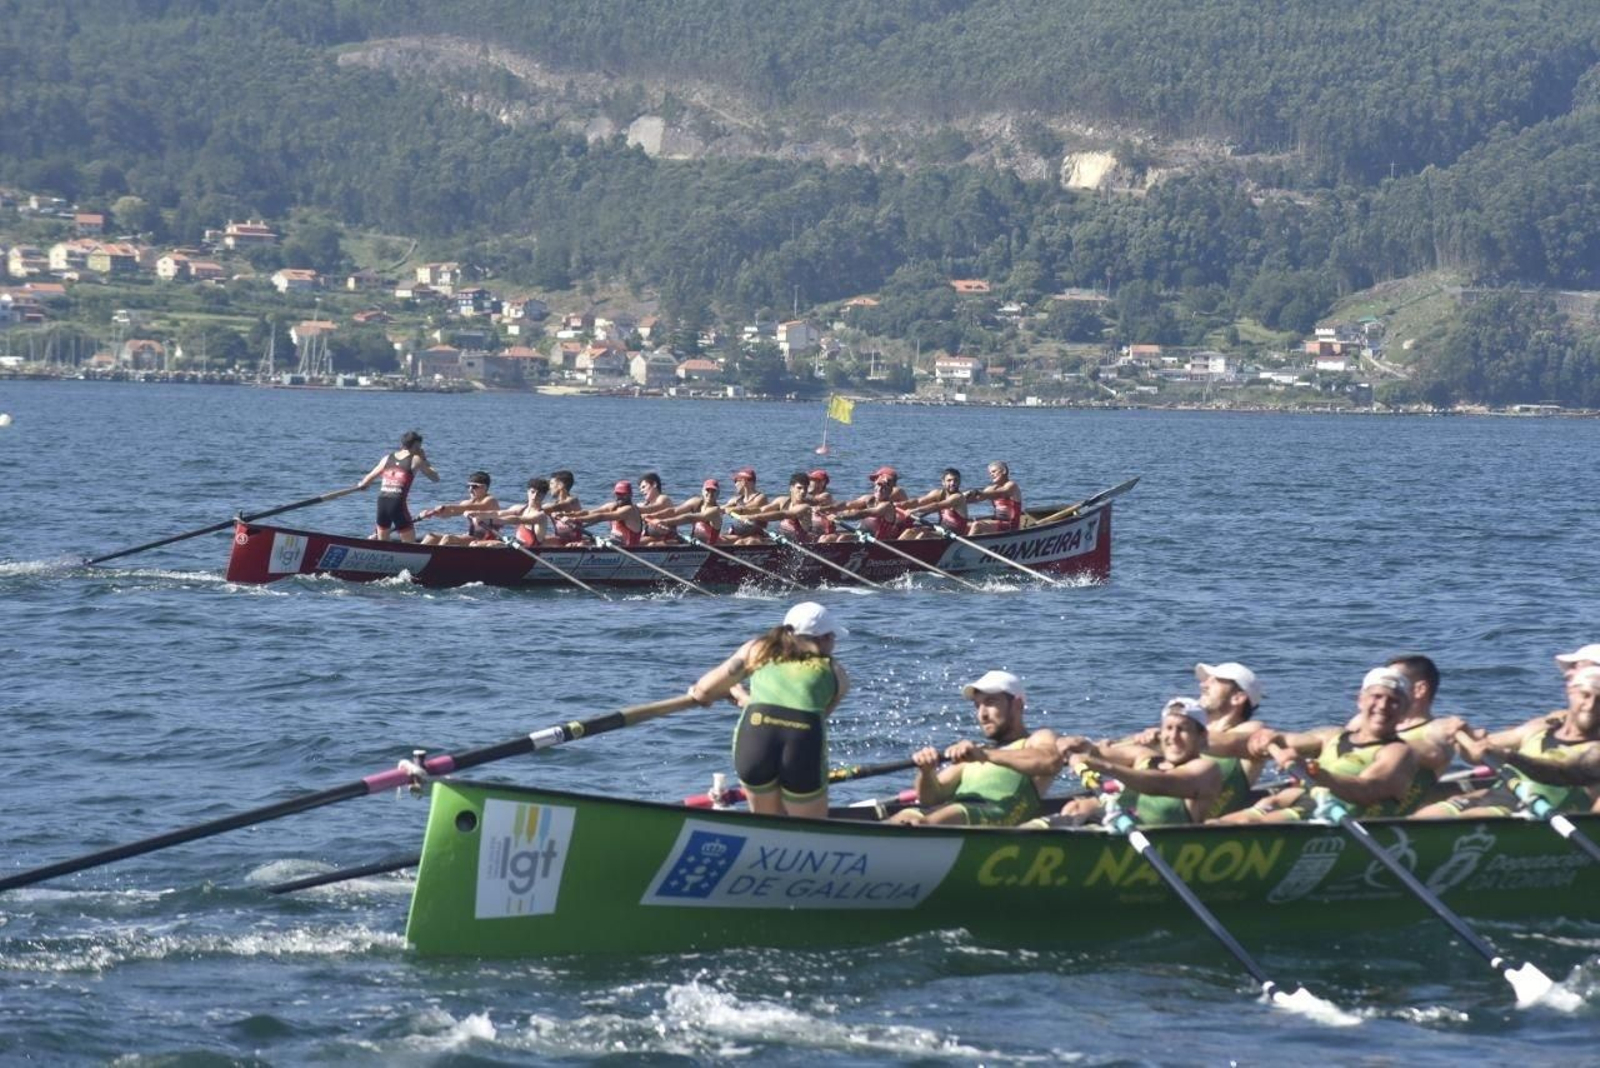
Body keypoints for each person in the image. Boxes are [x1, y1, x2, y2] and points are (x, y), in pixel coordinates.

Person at [686, 602, 851, 819]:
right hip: (801, 742)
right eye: (833, 637)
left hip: (755, 736)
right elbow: (803, 714)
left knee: (768, 824)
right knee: (809, 829)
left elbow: (703, 691)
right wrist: (746, 699)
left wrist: (734, 694)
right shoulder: (837, 674)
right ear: (824, 639)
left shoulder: (757, 649)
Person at [1213, 667, 1418, 824]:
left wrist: (1314, 772)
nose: (1382, 706)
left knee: (1241, 824)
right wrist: (1267, 739)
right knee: (1214, 824)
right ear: (1360, 700)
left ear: (1404, 710)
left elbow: (1368, 789)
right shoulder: (1330, 736)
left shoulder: (1399, 752)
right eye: (1377, 697)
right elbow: (1281, 741)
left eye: (1393, 701)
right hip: (1293, 806)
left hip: (1332, 820)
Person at [1417, 665, 1600, 819]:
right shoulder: (1538, 728)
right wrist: (1464, 735)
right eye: (1585, 695)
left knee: (1469, 818)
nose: (1590, 705)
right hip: (1494, 798)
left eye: (1599, 700)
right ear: (1570, 691)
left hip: (1534, 816)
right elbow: (1477, 753)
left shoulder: (1596, 749)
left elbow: (1560, 773)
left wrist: (1509, 757)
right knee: (1420, 818)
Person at [887, 670, 1061, 826]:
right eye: (977, 706)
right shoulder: (976, 752)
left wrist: (986, 755)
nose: (982, 715)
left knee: (939, 816)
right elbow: (930, 798)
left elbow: (1051, 761)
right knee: (906, 814)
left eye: (990, 703)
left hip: (997, 817)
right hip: (956, 812)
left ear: (1017, 705)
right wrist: (926, 772)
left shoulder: (1036, 740)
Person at [1053, 698, 1222, 826]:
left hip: (1160, 843)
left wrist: (1102, 766)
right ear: (1160, 733)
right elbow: (1099, 752)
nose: (1174, 737)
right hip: (1114, 829)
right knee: (1074, 809)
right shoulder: (1143, 756)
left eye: (1183, 729)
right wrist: (1079, 745)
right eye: (1169, 728)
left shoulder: (1206, 769)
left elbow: (1161, 784)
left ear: (1201, 737)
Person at [356, 430, 439, 541]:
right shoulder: (416, 459)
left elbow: (368, 478)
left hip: (382, 502)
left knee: (382, 542)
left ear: (402, 444)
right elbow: (435, 478)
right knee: (409, 544)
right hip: (397, 504)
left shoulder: (387, 458)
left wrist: (363, 484)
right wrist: (424, 459)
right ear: (416, 446)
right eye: (419, 447)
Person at [820, 474, 914, 542]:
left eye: (885, 487)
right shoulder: (867, 499)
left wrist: (840, 517)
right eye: (878, 485)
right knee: (825, 538)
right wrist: (825, 508)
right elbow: (846, 505)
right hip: (863, 538)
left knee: (843, 539)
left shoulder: (887, 506)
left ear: (890, 491)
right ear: (875, 486)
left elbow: (864, 513)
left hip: (879, 544)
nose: (880, 489)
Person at [417, 471, 502, 546]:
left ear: (484, 487)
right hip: (471, 536)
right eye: (468, 486)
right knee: (432, 536)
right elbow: (450, 513)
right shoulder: (468, 502)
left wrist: (446, 507)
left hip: (488, 539)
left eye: (474, 487)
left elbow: (470, 508)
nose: (470, 490)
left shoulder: (491, 501)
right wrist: (432, 513)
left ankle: (437, 560)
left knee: (448, 538)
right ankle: (416, 556)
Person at [740, 472, 818, 543]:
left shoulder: (805, 507)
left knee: (751, 542)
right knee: (743, 541)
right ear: (791, 488)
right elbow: (761, 509)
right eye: (799, 488)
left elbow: (782, 514)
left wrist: (752, 517)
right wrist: (739, 511)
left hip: (800, 546)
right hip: (784, 541)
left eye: (805, 488)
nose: (803, 491)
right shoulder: (782, 501)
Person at [570, 480, 645, 548]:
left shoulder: (629, 510)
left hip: (627, 548)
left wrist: (577, 519)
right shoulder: (613, 506)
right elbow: (588, 512)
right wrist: (568, 515)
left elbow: (601, 517)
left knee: (582, 544)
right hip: (613, 542)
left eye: (623, 494)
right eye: (617, 494)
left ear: (630, 495)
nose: (620, 496)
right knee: (577, 540)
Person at [900, 468, 970, 539]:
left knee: (923, 535)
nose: (952, 483)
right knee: (909, 532)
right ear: (943, 482)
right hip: (941, 530)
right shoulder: (938, 493)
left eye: (956, 480)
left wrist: (914, 510)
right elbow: (918, 501)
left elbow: (937, 506)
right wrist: (899, 504)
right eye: (949, 480)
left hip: (954, 534)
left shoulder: (958, 497)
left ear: (959, 482)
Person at [650, 479, 726, 544]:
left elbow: (689, 518)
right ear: (702, 491)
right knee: (653, 544)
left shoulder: (715, 510)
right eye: (708, 490)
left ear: (718, 494)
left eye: (713, 491)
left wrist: (663, 521)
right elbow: (674, 511)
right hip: (694, 542)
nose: (710, 493)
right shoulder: (696, 502)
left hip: (710, 546)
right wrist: (653, 515)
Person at [492, 477, 553, 548]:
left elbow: (518, 519)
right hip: (518, 547)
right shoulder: (520, 508)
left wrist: (493, 521)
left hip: (531, 552)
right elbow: (498, 513)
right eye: (532, 492)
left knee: (493, 544)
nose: (534, 496)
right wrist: (479, 515)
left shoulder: (541, 516)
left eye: (539, 494)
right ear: (528, 491)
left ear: (544, 496)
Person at [965, 461, 1023, 535]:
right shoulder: (991, 488)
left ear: (1004, 471)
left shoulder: (1012, 486)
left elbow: (1001, 493)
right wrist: (960, 499)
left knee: (977, 525)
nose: (991, 475)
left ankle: (964, 545)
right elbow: (978, 498)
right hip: (998, 523)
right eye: (990, 473)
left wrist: (977, 492)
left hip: (1011, 525)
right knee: (965, 526)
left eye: (994, 471)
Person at [724, 467, 770, 543]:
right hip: (740, 534)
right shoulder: (736, 500)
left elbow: (750, 508)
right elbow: (721, 508)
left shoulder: (761, 498)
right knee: (720, 539)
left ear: (743, 481)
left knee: (742, 542)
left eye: (736, 481)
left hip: (757, 535)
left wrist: (732, 509)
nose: (735, 485)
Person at [544, 470, 586, 544]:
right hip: (561, 541)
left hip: (575, 543)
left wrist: (541, 510)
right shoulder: (551, 505)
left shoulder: (573, 501)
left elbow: (561, 506)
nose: (549, 487)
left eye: (551, 483)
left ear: (560, 485)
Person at [636, 473, 678, 541]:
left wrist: (634, 509)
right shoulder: (646, 504)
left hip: (668, 539)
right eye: (640, 488)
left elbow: (655, 507)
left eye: (644, 487)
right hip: (653, 537)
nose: (641, 490)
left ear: (654, 484)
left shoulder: (663, 499)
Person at [805, 469, 839, 538]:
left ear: (822, 483)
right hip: (813, 530)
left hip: (824, 532)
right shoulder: (810, 497)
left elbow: (814, 501)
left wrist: (796, 498)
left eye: (812, 480)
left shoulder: (826, 496)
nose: (808, 483)